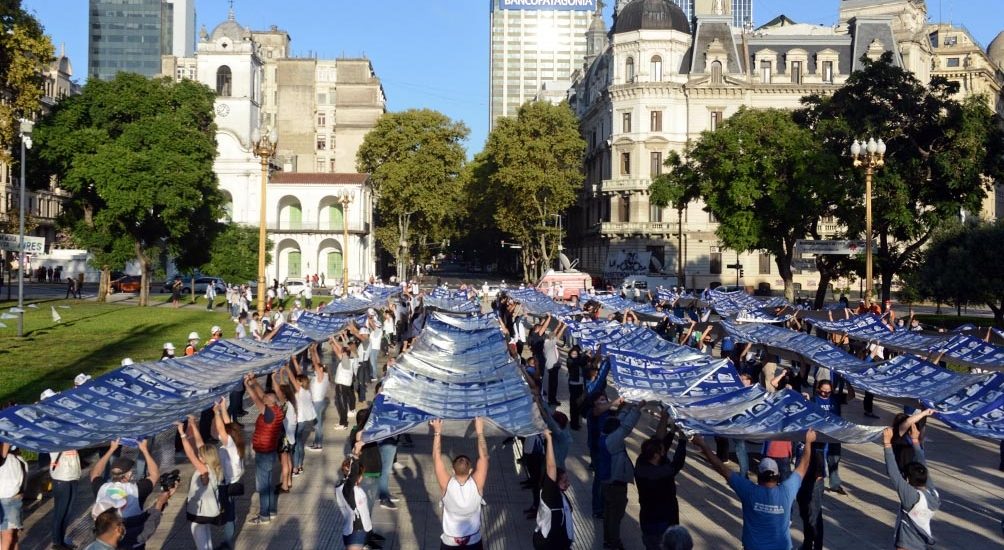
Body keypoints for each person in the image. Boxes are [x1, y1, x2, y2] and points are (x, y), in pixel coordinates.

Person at [694, 429, 817, 550]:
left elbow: (721, 468)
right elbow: (803, 467)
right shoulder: (787, 491)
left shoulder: (748, 490)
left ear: (758, 476)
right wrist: (808, 443)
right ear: (778, 476)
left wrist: (703, 445)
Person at [431, 417, 489, 549]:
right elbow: (484, 457)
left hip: (450, 542)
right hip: (473, 540)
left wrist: (437, 432)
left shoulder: (446, 485)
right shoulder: (476, 485)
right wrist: (480, 431)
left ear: (452, 470)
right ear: (470, 471)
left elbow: (436, 458)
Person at [882, 420, 940, 550]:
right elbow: (923, 466)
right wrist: (915, 441)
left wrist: (887, 444)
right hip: (921, 545)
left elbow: (894, 474)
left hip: (906, 545)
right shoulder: (932, 494)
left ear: (907, 479)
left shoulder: (911, 497)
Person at [90, 439, 160, 544]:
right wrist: (144, 450)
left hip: (107, 537)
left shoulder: (102, 488)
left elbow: (95, 473)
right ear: (129, 475)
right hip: (133, 537)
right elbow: (154, 474)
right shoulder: (136, 490)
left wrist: (111, 450)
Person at [635, 410, 688, 549]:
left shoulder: (642, 461)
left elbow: (660, 443)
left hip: (647, 519)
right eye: (662, 451)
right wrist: (682, 440)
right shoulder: (659, 473)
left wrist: (672, 431)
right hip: (661, 521)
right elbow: (677, 463)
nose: (665, 451)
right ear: (656, 455)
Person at [601, 400, 643, 550]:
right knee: (615, 516)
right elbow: (625, 427)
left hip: (606, 482)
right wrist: (638, 408)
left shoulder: (606, 435)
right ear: (615, 431)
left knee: (608, 513)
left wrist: (629, 405)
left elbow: (619, 422)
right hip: (615, 484)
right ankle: (614, 542)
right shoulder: (613, 440)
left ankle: (607, 540)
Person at [177, 417, 223, 550]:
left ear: (205, 458)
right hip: (209, 511)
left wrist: (182, 434)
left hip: (201, 512)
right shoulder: (214, 467)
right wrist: (193, 424)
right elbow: (200, 445)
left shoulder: (204, 470)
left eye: (201, 456)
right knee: (207, 540)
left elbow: (191, 454)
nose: (199, 456)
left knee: (201, 542)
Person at [244, 372, 283, 525]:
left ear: (268, 402)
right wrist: (254, 381)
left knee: (263, 487)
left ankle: (264, 515)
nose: (263, 399)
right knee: (269, 483)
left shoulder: (267, 413)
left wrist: (247, 385)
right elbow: (262, 395)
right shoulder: (277, 409)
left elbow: (255, 398)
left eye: (265, 399)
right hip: (271, 451)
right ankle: (271, 511)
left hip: (264, 452)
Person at [811, 379, 853, 495]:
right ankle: (817, 482)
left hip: (834, 433)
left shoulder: (836, 399)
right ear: (818, 389)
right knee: (818, 458)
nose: (825, 394)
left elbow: (851, 396)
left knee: (834, 458)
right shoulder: (814, 400)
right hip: (820, 433)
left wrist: (848, 382)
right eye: (823, 392)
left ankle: (835, 484)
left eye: (828, 392)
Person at [211, 400, 244, 550]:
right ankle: (229, 532)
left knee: (229, 513)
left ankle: (227, 543)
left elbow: (221, 427)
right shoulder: (236, 438)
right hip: (233, 478)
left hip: (228, 481)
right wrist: (223, 407)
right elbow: (227, 424)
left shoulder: (229, 442)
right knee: (230, 508)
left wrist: (216, 412)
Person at [532, 429, 573, 549]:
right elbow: (551, 466)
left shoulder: (560, 495)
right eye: (564, 481)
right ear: (553, 484)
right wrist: (549, 440)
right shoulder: (550, 495)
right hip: (548, 545)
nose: (568, 484)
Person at [336, 439, 372, 550]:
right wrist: (356, 453)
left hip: (354, 530)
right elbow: (353, 475)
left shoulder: (344, 486)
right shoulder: (347, 488)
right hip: (355, 532)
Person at [49, 443, 82, 550]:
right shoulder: (56, 440)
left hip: (73, 477)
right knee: (60, 513)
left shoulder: (73, 440)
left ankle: (61, 541)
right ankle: (56, 543)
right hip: (61, 478)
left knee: (68, 513)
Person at [0, 443, 26, 550]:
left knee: (14, 536)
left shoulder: (18, 459)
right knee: (8, 536)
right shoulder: (4, 458)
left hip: (15, 501)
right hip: (5, 501)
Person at [330, 336, 358, 429]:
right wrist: (332, 343)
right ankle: (343, 422)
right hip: (345, 385)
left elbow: (338, 351)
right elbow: (338, 351)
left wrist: (333, 341)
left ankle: (343, 424)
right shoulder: (350, 359)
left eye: (343, 352)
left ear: (345, 354)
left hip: (342, 386)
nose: (341, 353)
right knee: (343, 404)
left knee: (342, 405)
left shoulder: (346, 360)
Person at [308, 344, 330, 450]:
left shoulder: (321, 376)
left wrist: (312, 351)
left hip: (317, 402)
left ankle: (318, 444)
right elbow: (317, 362)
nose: (315, 369)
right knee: (317, 424)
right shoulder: (323, 375)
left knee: (318, 424)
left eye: (317, 368)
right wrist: (314, 349)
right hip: (318, 402)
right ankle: (317, 443)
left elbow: (315, 363)